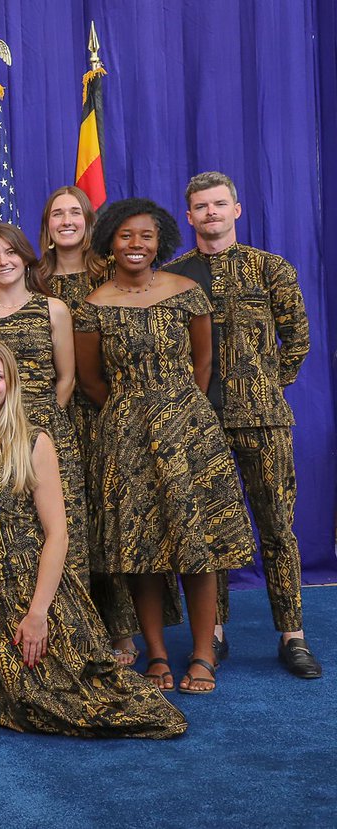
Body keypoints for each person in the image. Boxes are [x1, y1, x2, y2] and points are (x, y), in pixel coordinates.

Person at [0, 339, 186, 737]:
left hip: (26, 586)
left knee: (73, 698)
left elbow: (58, 534)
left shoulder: (33, 442)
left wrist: (38, 613)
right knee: (11, 702)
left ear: (11, 384)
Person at [74, 198, 256, 695]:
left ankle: (201, 654)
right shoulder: (93, 306)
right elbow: (91, 381)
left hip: (189, 433)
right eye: (126, 235)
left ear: (162, 242)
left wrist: (173, 412)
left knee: (198, 547)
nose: (136, 245)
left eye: (147, 236)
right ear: (109, 240)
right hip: (126, 438)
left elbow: (203, 366)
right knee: (141, 549)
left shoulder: (187, 293)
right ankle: (156, 653)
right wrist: (136, 413)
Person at [163, 171, 319, 678]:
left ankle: (292, 634)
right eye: (200, 207)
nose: (210, 213)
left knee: (276, 527)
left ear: (236, 209)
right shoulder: (176, 276)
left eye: (218, 204)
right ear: (189, 217)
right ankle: (215, 632)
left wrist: (265, 386)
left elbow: (296, 339)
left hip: (263, 420)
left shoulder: (269, 269)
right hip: (199, 421)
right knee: (211, 529)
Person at [36, 186, 147, 666]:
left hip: (108, 414)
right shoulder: (34, 276)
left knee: (109, 520)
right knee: (65, 525)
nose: (67, 220)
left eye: (75, 212)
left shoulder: (110, 271)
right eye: (57, 213)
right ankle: (73, 623)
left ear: (89, 219)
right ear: (47, 223)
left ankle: (122, 629)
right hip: (54, 420)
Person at [0, 224, 85, 582]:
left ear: (25, 256)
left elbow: (66, 378)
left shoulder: (53, 309)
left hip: (47, 432)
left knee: (63, 530)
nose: (3, 262)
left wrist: (43, 426)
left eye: (10, 252)